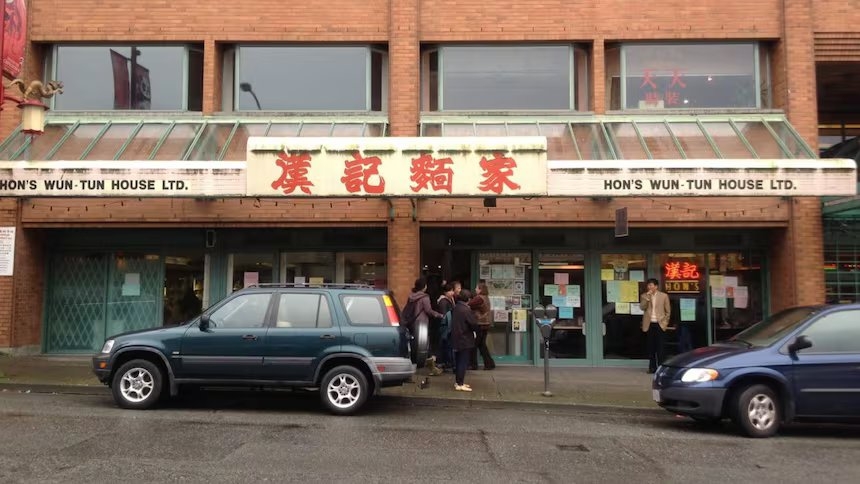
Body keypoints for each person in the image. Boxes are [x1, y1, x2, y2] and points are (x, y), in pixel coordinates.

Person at [407, 277, 444, 375]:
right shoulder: (424, 297)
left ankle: (414, 367)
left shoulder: (411, 296)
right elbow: (428, 310)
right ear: (424, 286)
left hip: (413, 322)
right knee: (425, 345)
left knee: (415, 345)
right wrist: (439, 315)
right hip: (422, 324)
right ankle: (432, 368)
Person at [640, 278, 671, 374]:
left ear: (656, 286)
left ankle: (661, 368)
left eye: (651, 285)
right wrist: (647, 298)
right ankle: (652, 368)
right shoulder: (644, 296)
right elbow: (642, 307)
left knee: (661, 347)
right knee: (651, 347)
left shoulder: (664, 296)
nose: (649, 287)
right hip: (649, 324)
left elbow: (668, 311)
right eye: (648, 285)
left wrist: (665, 322)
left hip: (660, 324)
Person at [451, 289, 479, 391]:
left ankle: (458, 382)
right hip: (465, 338)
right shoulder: (466, 310)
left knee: (459, 361)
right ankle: (460, 383)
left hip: (456, 337)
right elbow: (473, 324)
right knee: (463, 362)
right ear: (468, 299)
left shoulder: (456, 307)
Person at [468, 282, 496, 370]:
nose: (475, 289)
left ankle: (473, 364)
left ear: (480, 289)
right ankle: (489, 363)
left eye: (477, 288)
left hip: (480, 323)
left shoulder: (479, 298)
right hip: (485, 323)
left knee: (474, 345)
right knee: (481, 345)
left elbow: (469, 304)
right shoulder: (486, 297)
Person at [435, 283, 457, 370]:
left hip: (448, 325)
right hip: (446, 326)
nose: (452, 293)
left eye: (452, 290)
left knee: (446, 344)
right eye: (449, 291)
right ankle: (444, 362)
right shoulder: (443, 301)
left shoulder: (450, 300)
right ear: (445, 292)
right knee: (445, 344)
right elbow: (445, 315)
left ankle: (445, 362)